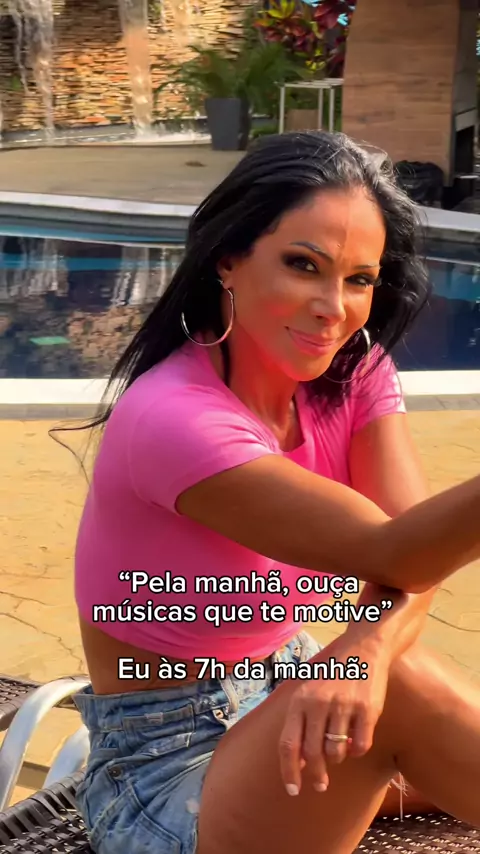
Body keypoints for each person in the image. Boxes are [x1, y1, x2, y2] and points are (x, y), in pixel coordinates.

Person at [71, 131, 480, 854]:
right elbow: (400, 551)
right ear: (228, 258)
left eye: (359, 279)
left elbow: (413, 566)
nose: (334, 308)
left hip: (289, 691)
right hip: (165, 772)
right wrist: (361, 659)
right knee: (406, 693)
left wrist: (362, 649)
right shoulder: (174, 420)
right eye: (303, 265)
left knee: (397, 682)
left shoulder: (353, 373)